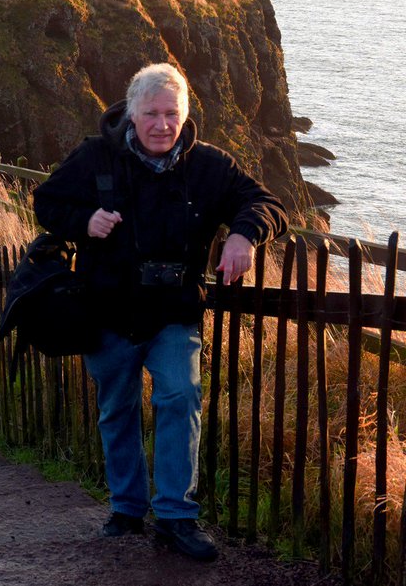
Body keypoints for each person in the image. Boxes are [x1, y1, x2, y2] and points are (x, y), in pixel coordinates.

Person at [32, 63, 287, 562]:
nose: (162, 124)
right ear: (131, 113)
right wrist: (85, 220)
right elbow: (47, 203)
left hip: (174, 312)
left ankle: (174, 517)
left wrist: (243, 234)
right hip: (109, 312)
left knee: (180, 397)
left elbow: (264, 201)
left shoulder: (209, 165)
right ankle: (127, 509)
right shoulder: (95, 158)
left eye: (172, 113)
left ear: (185, 115)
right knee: (116, 409)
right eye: (151, 113)